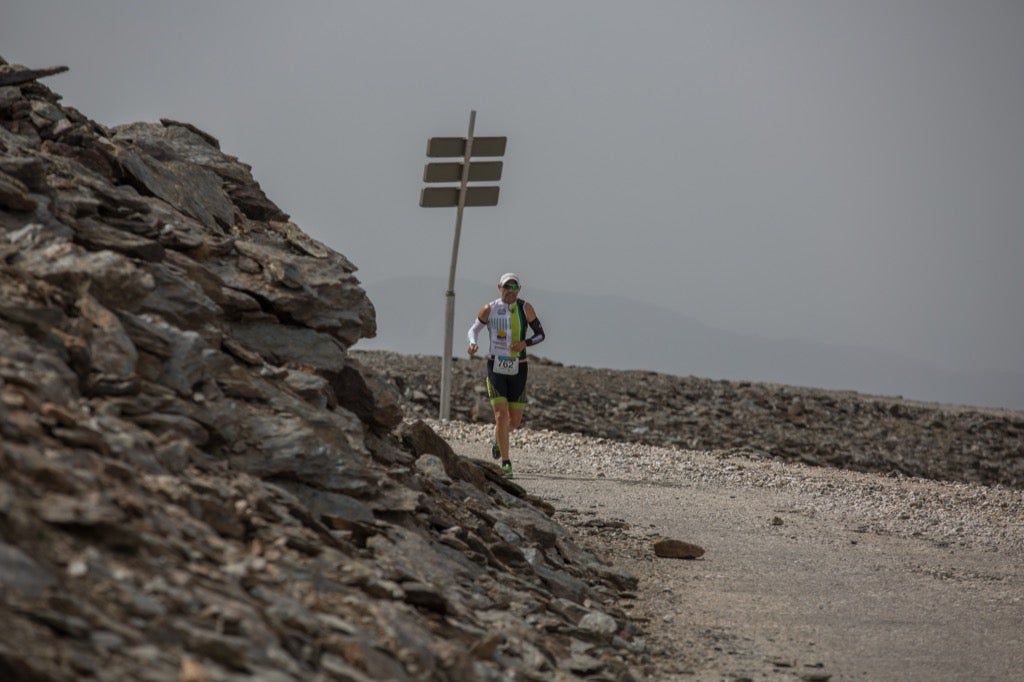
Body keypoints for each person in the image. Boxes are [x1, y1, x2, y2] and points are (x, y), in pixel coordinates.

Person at [467, 273, 546, 479]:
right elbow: (473, 330)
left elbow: (541, 335)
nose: (510, 291)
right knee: (501, 415)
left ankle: (498, 439)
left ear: (519, 289)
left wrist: (524, 344)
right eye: (506, 287)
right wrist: (472, 343)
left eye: (514, 287)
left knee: (514, 421)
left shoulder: (525, 308)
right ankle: (506, 462)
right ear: (499, 287)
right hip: (496, 367)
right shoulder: (489, 308)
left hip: (519, 368)